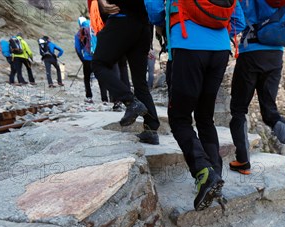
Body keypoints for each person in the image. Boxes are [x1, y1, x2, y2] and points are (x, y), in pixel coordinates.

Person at [145, 0, 246, 210]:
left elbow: (154, 12)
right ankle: (215, 176)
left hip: (187, 44)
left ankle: (203, 171)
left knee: (180, 118)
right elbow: (239, 21)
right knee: (204, 117)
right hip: (219, 50)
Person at [229, 0, 285, 176]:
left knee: (238, 109)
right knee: (270, 110)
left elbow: (239, 19)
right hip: (276, 54)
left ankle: (242, 160)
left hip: (251, 53)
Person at [92, 0, 161, 145]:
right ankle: (151, 130)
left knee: (99, 64)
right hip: (144, 27)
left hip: (121, 19)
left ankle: (130, 101)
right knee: (140, 81)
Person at [74, 17, 110, 103]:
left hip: (87, 59)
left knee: (87, 78)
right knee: (101, 78)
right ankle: (104, 98)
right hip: (99, 57)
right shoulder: (97, 27)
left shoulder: (79, 33)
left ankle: (89, 97)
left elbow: (77, 48)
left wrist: (83, 60)